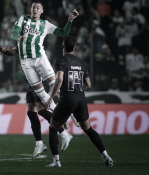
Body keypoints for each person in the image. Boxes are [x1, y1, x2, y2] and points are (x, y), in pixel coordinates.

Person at [0, 42, 77, 158]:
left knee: (41, 109)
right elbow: (9, 51)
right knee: (31, 112)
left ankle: (64, 133)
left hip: (40, 79)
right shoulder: (21, 45)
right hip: (31, 82)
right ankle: (39, 144)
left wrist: (6, 49)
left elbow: (14, 52)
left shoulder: (32, 45)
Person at [45, 35, 113, 167]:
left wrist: (51, 97)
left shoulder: (61, 61)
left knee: (53, 126)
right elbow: (88, 84)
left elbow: (59, 80)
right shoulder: (82, 63)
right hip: (81, 98)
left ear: (63, 46)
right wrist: (77, 89)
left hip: (67, 98)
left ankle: (56, 161)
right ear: (75, 47)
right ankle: (105, 155)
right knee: (88, 128)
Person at [10, 1, 79, 113]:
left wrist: (70, 20)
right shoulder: (23, 19)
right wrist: (18, 37)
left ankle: (72, 111)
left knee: (54, 84)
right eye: (33, 7)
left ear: (42, 11)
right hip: (26, 62)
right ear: (30, 9)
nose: (35, 9)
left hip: (40, 58)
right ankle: (59, 114)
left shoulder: (45, 24)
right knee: (40, 92)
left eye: (38, 8)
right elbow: (13, 33)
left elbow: (63, 33)